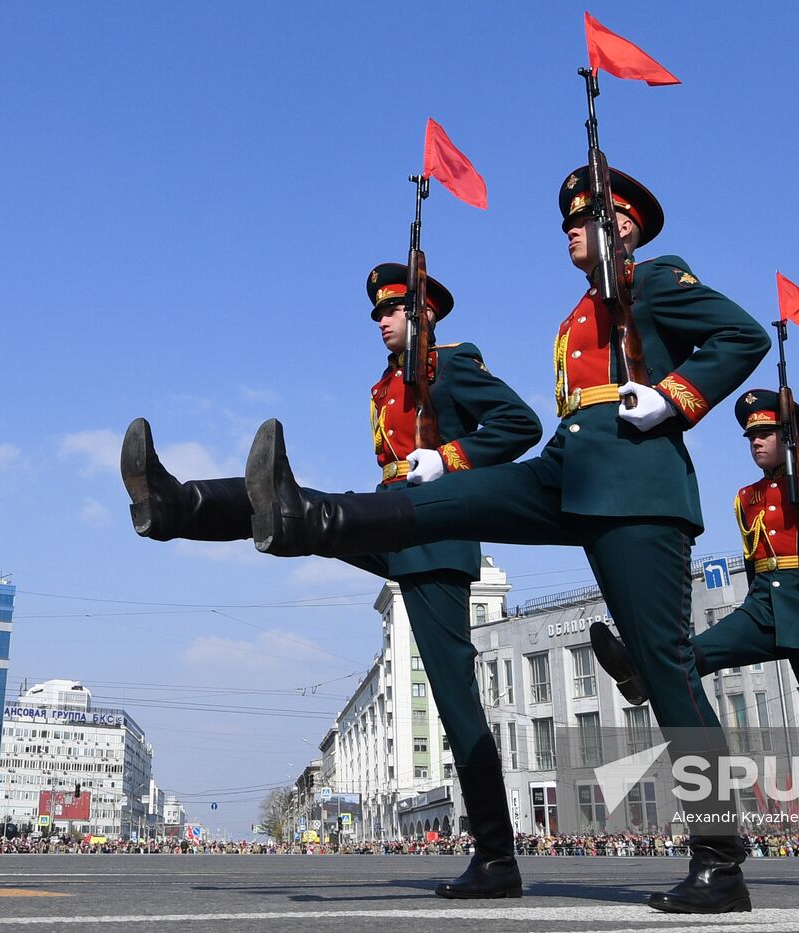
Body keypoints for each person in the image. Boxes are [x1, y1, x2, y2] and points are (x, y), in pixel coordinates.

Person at [244, 167, 771, 913]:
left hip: (635, 491)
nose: (568, 228)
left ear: (623, 226)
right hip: (568, 468)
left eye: (584, 217)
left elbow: (741, 334)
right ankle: (309, 516)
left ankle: (721, 861)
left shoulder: (653, 282)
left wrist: (674, 398)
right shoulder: (585, 308)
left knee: (669, 669)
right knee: (449, 499)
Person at [122, 262, 542, 898]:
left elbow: (520, 424)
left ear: (424, 313)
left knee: (455, 702)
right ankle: (175, 505)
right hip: (391, 523)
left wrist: (447, 459)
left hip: (436, 538)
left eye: (393, 309)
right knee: (294, 508)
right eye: (376, 312)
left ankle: (496, 858)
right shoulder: (386, 385)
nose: (380, 320)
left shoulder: (451, 367)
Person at [589, 389, 799, 891]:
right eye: (750, 434)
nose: (755, 442)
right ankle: (641, 669)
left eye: (765, 433)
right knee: (687, 656)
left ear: (790, 437)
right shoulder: (746, 497)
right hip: (762, 610)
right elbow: (761, 566)